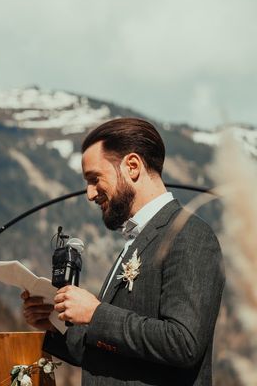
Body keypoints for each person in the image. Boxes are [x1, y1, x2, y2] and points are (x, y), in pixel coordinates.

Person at [22, 118, 225, 385]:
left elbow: (183, 343)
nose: (90, 193)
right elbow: (108, 352)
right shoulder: (136, 239)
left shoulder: (190, 235)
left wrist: (95, 314)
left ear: (132, 166)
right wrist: (52, 324)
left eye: (95, 179)